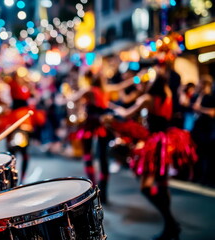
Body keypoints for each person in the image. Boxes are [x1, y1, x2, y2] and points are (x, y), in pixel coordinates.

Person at [113, 71, 197, 240]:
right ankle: (170, 227)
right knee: (162, 184)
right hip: (168, 140)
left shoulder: (147, 99)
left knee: (146, 187)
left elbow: (126, 114)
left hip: (155, 143)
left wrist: (114, 108)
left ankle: (170, 222)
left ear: (153, 82)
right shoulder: (167, 92)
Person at [69, 70, 134, 204]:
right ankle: (102, 192)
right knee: (102, 159)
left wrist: (77, 109)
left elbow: (73, 99)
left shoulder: (89, 90)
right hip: (102, 126)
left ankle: (94, 188)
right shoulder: (104, 90)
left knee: (89, 157)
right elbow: (120, 86)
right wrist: (135, 79)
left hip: (91, 126)